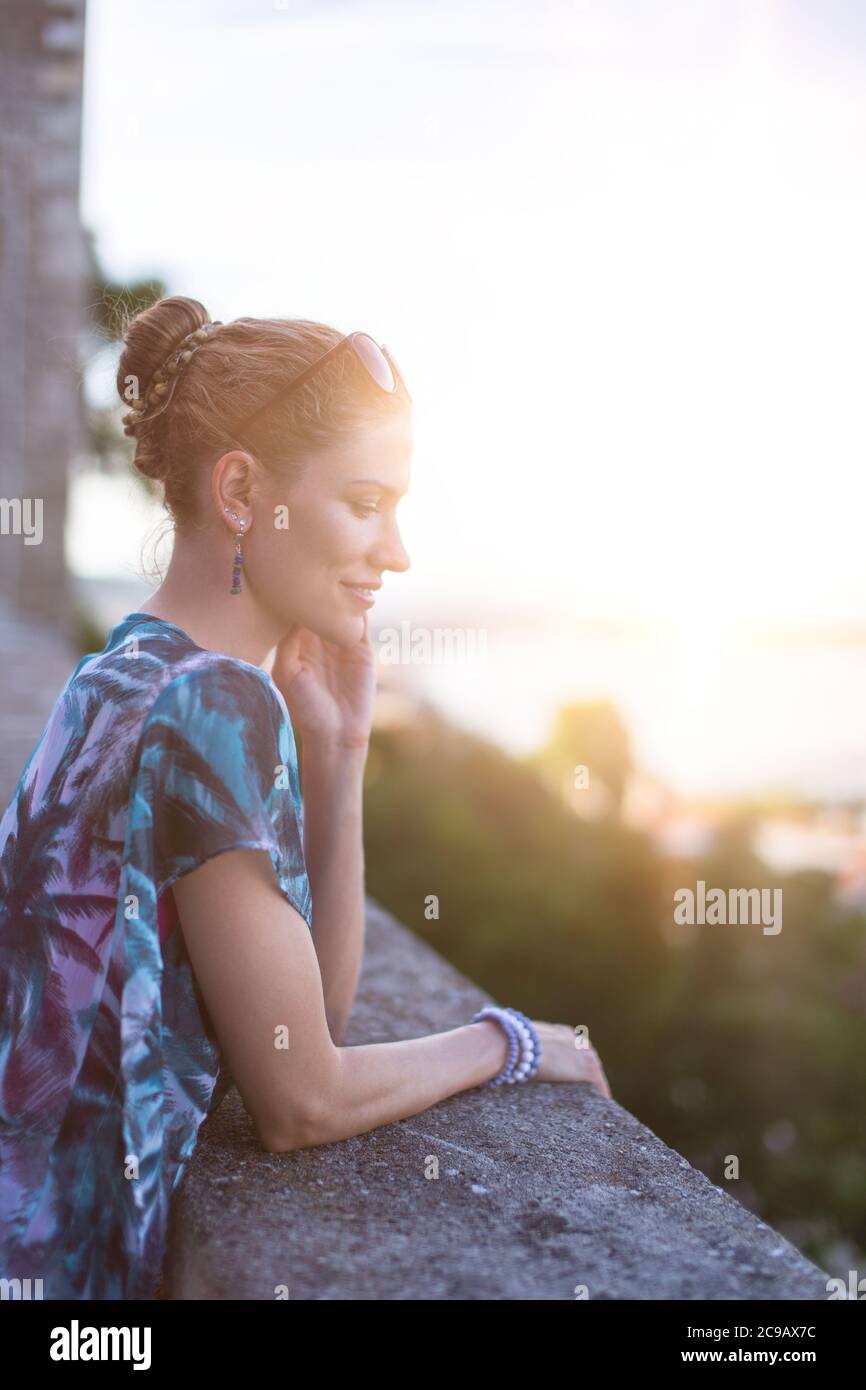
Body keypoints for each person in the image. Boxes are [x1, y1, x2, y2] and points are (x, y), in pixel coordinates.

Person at [0, 295, 611, 1301]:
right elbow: (300, 1099)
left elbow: (297, 1015)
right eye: (365, 501)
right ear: (241, 489)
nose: (397, 550)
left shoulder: (117, 670)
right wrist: (516, 1041)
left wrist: (337, 754)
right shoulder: (214, 701)